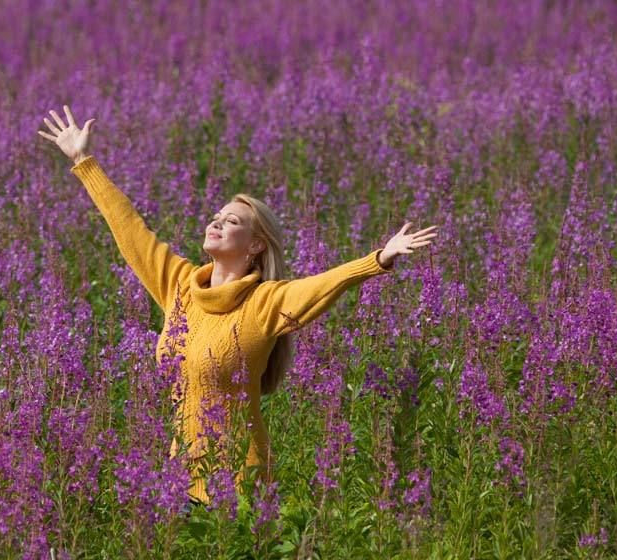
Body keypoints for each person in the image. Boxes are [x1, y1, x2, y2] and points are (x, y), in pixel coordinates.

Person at [38, 105, 438, 507]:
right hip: (179, 479)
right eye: (216, 217)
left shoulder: (265, 302)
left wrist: (379, 258)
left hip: (237, 482)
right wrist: (83, 161)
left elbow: (323, 285)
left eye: (231, 221)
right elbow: (129, 228)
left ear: (256, 245)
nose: (216, 223)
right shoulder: (179, 285)